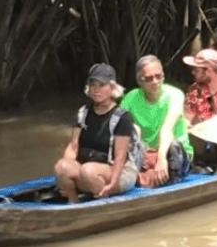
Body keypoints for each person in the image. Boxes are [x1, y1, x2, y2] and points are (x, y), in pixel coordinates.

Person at [53, 63, 143, 203]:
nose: (96, 89)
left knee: (88, 171)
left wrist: (113, 183)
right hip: (88, 169)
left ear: (112, 88)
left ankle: (103, 200)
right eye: (93, 84)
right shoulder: (83, 113)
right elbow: (73, 146)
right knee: (61, 166)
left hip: (119, 171)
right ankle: (73, 201)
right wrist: (64, 177)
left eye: (102, 85)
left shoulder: (122, 117)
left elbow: (120, 156)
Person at [119, 55, 192, 187]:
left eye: (158, 76)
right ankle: (136, 181)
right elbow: (118, 127)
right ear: (139, 81)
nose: (155, 81)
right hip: (146, 154)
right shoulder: (131, 97)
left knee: (174, 146)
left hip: (171, 152)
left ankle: (173, 185)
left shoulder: (175, 95)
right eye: (149, 78)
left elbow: (167, 129)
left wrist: (161, 159)